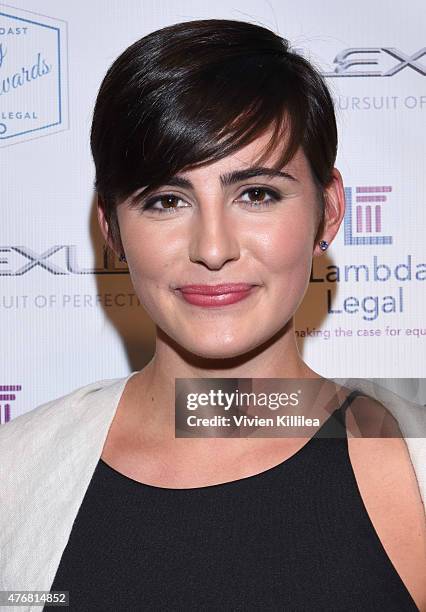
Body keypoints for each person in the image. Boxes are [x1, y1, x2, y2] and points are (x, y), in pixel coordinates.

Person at [1, 18, 425, 612]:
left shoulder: (411, 464)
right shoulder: (14, 475)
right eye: (166, 201)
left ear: (328, 210)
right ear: (113, 230)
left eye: (257, 193)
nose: (213, 246)